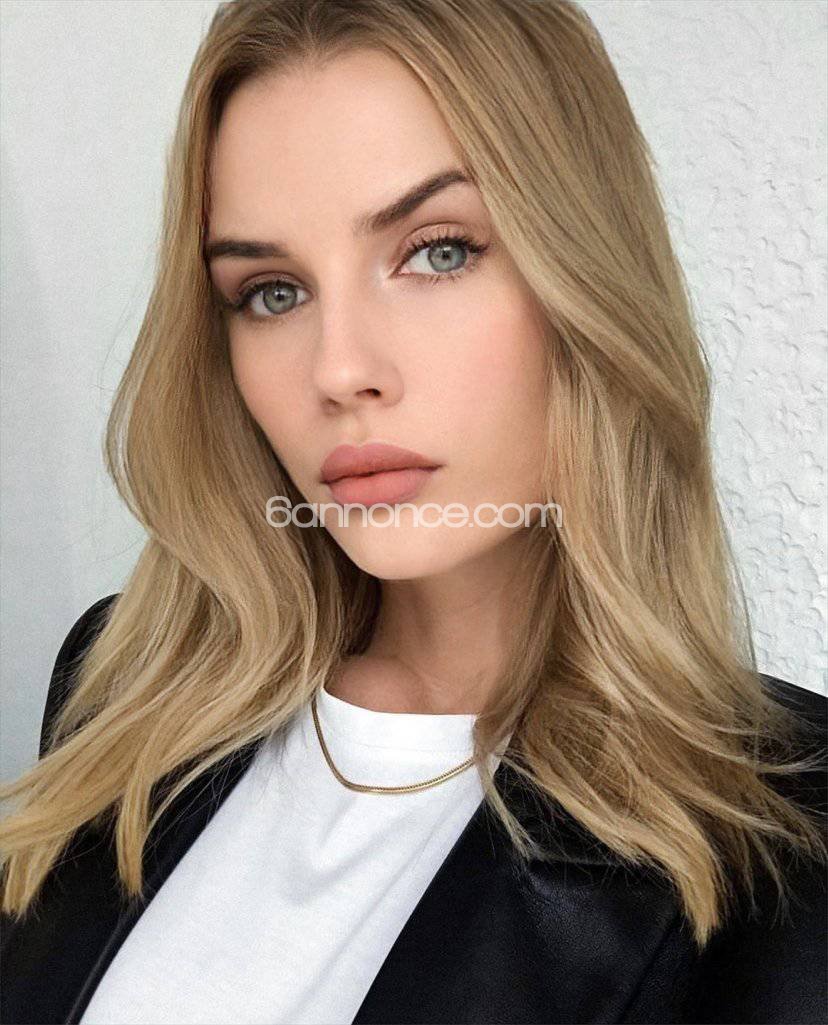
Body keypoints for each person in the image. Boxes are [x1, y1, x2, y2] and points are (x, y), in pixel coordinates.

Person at [1, 1, 826, 1023]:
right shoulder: (120, 687)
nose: (339, 369)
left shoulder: (792, 845)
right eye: (271, 292)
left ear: (586, 273)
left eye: (437, 251)